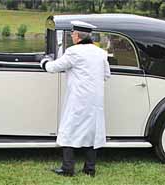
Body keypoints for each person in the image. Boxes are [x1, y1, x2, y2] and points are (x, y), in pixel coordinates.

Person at [40, 20, 111, 177]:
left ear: (78, 36)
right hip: (95, 101)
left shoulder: (73, 52)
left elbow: (53, 68)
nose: (72, 35)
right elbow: (106, 75)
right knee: (92, 132)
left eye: (73, 33)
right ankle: (89, 169)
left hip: (78, 99)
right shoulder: (100, 53)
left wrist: (44, 61)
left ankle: (67, 169)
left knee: (69, 130)